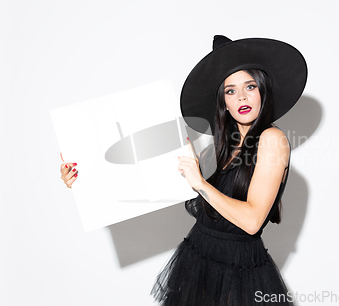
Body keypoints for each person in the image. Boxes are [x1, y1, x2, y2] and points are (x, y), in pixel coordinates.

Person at [60, 35, 307, 305]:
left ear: (263, 89)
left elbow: (251, 222)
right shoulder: (217, 148)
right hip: (198, 258)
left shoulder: (272, 139)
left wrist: (200, 183)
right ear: (223, 102)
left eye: (250, 86)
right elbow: (142, 176)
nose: (242, 97)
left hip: (239, 273)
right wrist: (83, 179)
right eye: (230, 90)